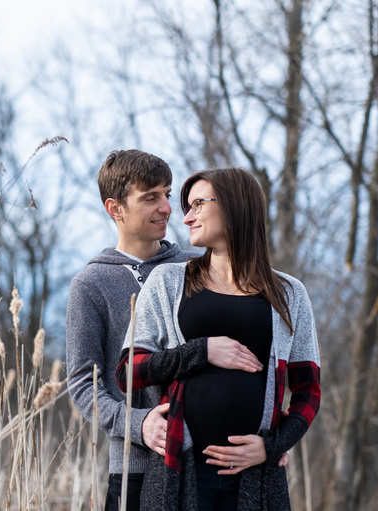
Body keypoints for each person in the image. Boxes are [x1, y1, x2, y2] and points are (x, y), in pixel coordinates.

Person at [116, 166, 321, 510]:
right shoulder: (168, 282)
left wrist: (271, 447)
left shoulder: (289, 294)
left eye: (198, 204)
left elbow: (308, 389)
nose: (186, 218)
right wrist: (202, 350)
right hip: (180, 470)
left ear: (233, 205)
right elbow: (128, 371)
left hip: (256, 477)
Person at [66, 149, 201, 510]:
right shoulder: (91, 284)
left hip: (209, 458)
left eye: (168, 195)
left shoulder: (198, 269)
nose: (168, 208)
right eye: (150, 198)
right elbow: (82, 385)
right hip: (135, 468)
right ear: (115, 209)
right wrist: (138, 425)